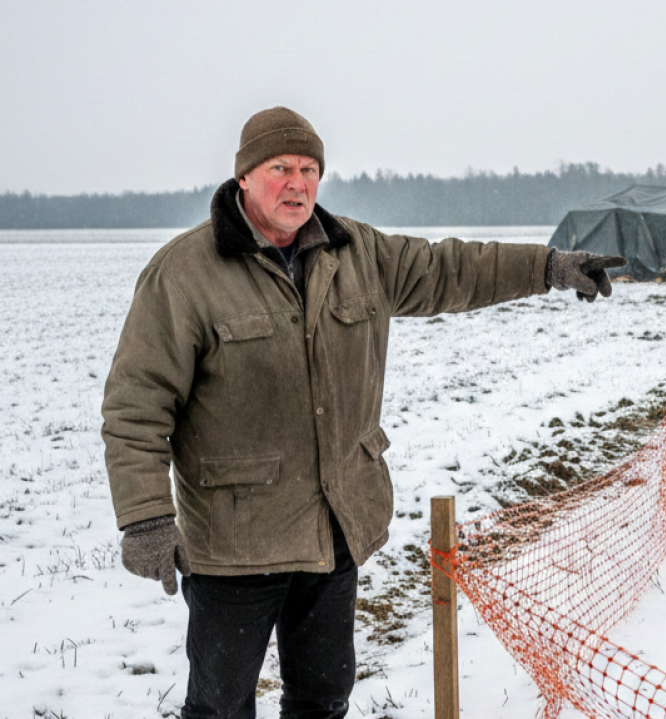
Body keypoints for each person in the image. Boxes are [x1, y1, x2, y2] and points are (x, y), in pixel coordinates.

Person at [101, 106, 625, 718]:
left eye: (308, 168)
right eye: (279, 168)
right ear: (243, 176)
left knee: (322, 700)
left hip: (333, 529)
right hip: (234, 545)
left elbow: (451, 267)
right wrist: (144, 519)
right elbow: (136, 407)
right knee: (219, 709)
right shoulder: (185, 274)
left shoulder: (357, 253)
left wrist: (550, 268)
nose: (297, 183)